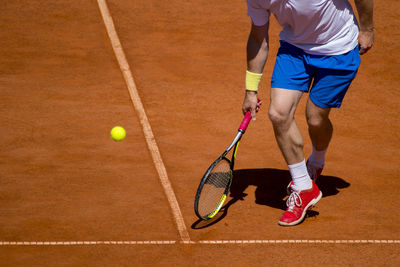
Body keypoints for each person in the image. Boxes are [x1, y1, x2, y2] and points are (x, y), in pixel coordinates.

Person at [242, 0, 374, 226]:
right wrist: (250, 90)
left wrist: (366, 28)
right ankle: (304, 187)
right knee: (278, 113)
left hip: (338, 49)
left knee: (315, 118)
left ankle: (317, 160)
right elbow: (258, 37)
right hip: (295, 50)